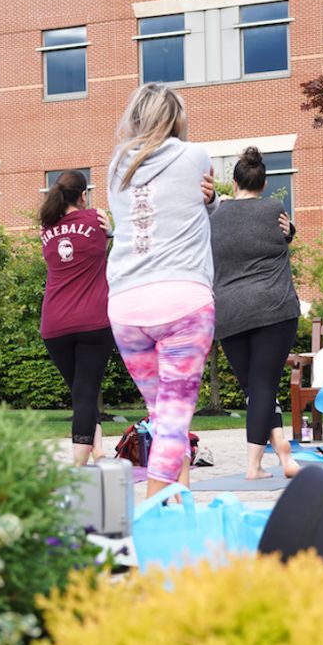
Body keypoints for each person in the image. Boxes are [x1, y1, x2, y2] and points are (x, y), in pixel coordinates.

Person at [106, 83, 217, 496]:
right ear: (177, 119)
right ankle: (155, 510)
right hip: (182, 301)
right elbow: (198, 207)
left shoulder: (117, 164)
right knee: (172, 419)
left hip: (126, 304)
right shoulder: (195, 156)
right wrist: (213, 202)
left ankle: (180, 496)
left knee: (163, 414)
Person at [210, 147, 302, 480]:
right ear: (263, 185)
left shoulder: (216, 215)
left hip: (230, 313)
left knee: (255, 387)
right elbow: (283, 235)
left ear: (234, 182)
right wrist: (290, 231)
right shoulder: (274, 209)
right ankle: (254, 466)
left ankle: (281, 452)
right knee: (262, 386)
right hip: (274, 310)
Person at [39, 169, 113, 465]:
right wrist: (110, 232)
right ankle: (79, 464)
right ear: (84, 195)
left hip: (55, 325)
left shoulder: (46, 228)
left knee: (81, 390)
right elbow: (107, 252)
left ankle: (98, 450)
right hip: (93, 321)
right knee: (85, 393)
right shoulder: (95, 219)